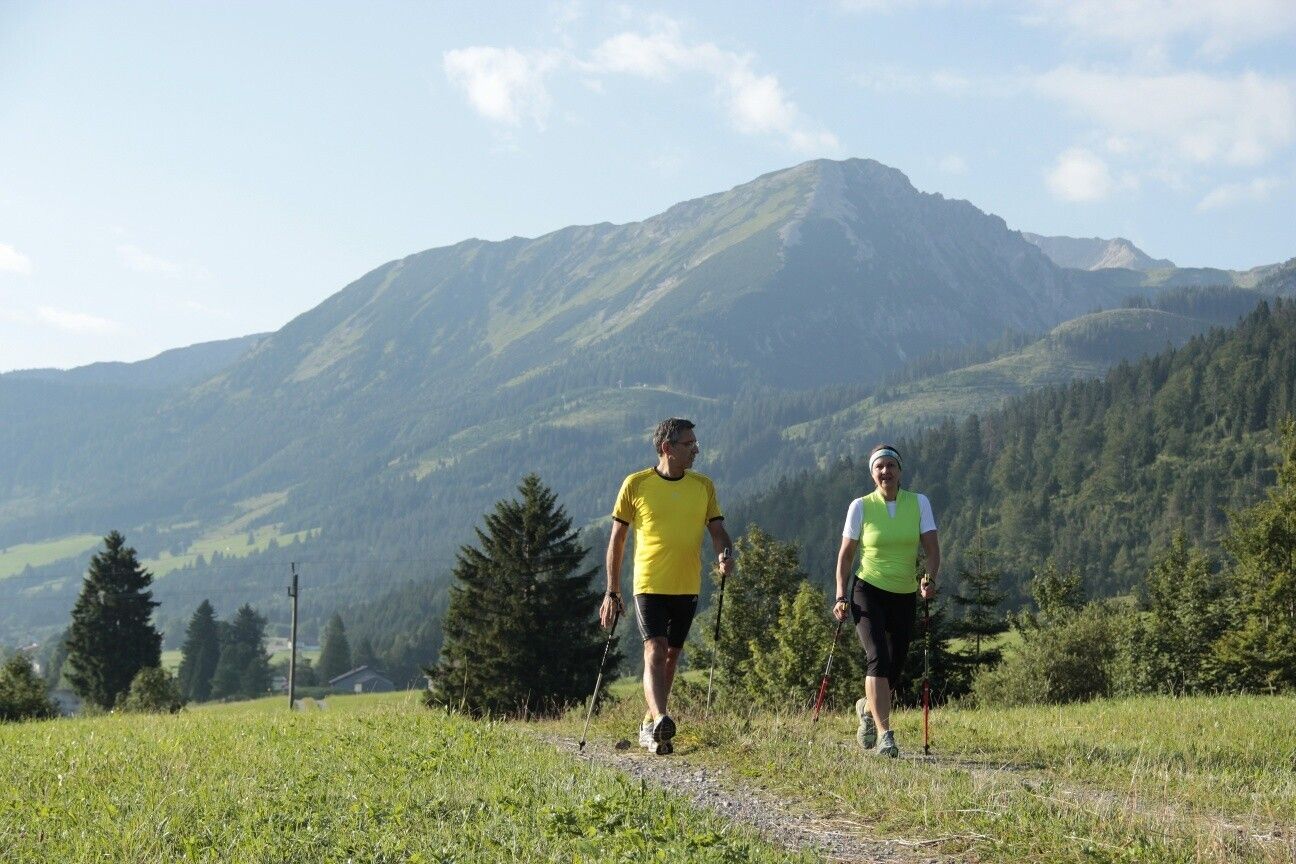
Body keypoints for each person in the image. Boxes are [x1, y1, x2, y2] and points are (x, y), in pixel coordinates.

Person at [601, 417, 734, 755]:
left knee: (672, 656)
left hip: (687, 585)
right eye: (689, 444)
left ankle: (650, 725)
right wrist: (612, 590)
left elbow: (718, 531)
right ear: (667, 448)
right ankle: (662, 716)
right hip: (649, 583)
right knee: (655, 650)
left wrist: (725, 555)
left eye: (695, 444)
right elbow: (617, 540)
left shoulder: (703, 486)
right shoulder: (636, 484)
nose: (696, 450)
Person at [833, 443, 939, 758]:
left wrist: (929, 579)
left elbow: (932, 551)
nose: (885, 471)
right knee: (877, 657)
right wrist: (840, 594)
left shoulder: (919, 503)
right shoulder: (860, 506)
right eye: (879, 467)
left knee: (894, 666)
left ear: (900, 471)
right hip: (867, 590)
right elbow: (846, 556)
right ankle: (885, 735)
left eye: (890, 466)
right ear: (872, 474)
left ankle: (867, 708)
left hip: (904, 593)